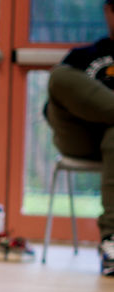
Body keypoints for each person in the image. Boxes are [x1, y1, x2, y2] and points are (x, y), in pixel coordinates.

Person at [44, 0, 114, 276]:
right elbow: (50, 110)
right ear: (108, 11)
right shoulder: (82, 56)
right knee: (59, 77)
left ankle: (112, 240)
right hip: (79, 137)